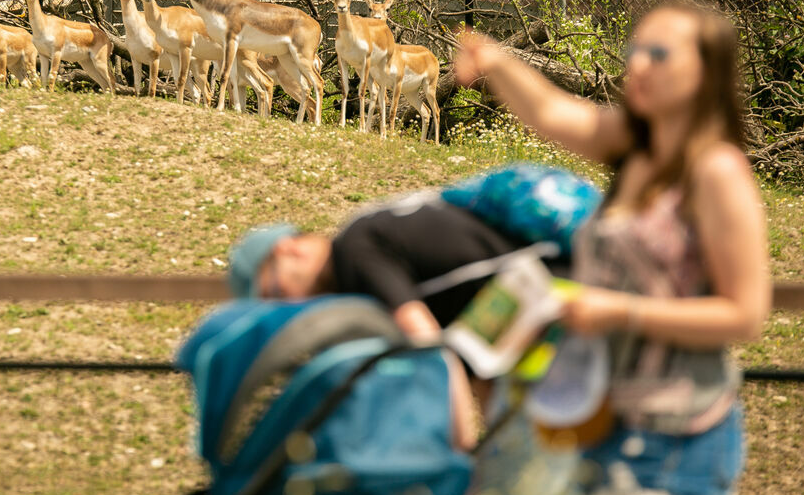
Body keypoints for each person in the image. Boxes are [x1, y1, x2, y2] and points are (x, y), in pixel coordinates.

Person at [451, 0, 771, 495]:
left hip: (677, 433)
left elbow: (746, 314)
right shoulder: (634, 148)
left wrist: (618, 311)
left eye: (659, 53)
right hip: (605, 420)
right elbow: (552, 113)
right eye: (634, 50)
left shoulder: (717, 171)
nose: (637, 65)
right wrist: (496, 61)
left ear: (707, 72)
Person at [226, 190, 573, 452]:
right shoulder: (359, 259)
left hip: (560, 299)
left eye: (274, 292)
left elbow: (428, 342)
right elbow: (469, 349)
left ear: (289, 249)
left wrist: (462, 452)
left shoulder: (354, 251)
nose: (288, 306)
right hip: (537, 315)